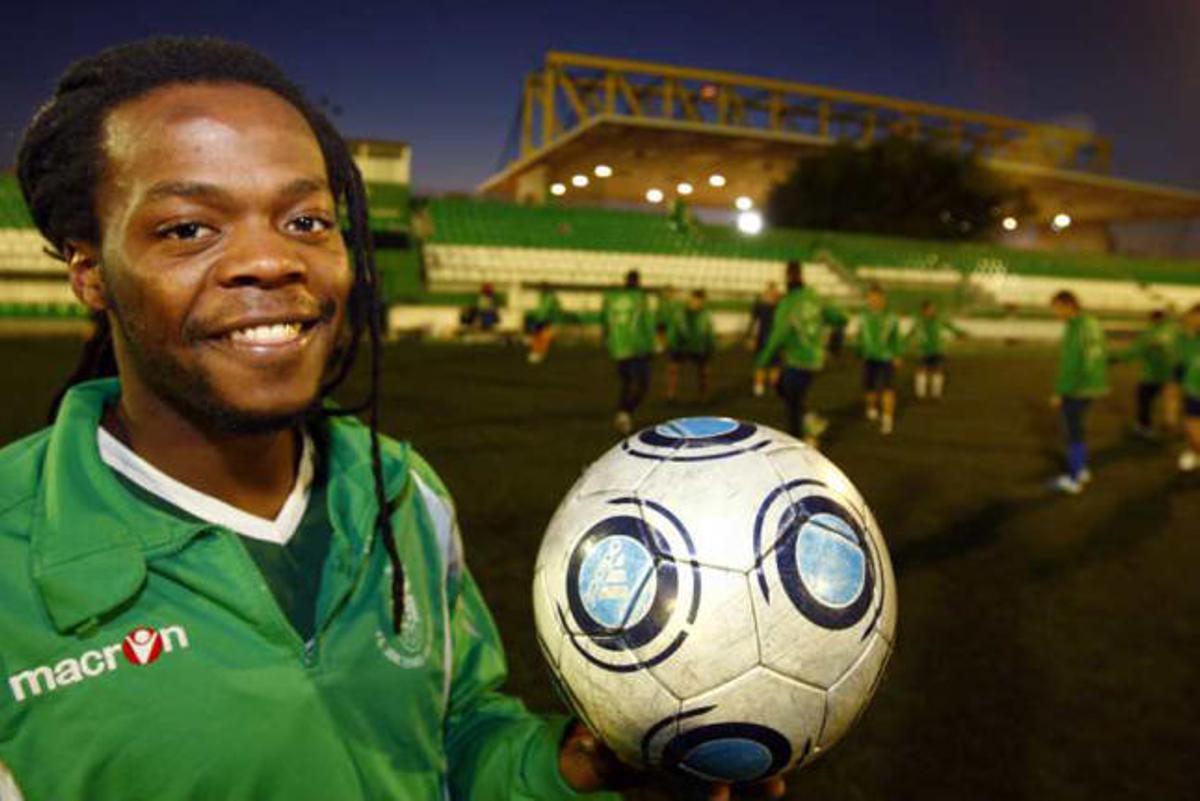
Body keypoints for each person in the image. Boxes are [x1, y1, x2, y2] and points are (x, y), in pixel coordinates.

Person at [0, 37, 637, 801]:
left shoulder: (403, 490)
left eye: (305, 221)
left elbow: (457, 732)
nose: (271, 260)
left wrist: (578, 769)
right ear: (90, 271)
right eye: (188, 228)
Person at [756, 260, 847, 444]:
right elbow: (841, 318)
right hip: (815, 360)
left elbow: (777, 336)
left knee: (791, 402)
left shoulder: (788, 303)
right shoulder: (814, 297)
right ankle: (807, 425)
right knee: (791, 395)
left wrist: (761, 361)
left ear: (787, 277)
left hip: (797, 361)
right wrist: (834, 339)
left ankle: (806, 437)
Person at [1049, 290, 1109, 494]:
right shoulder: (1090, 324)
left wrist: (1061, 391)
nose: (1056, 313)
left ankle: (1074, 479)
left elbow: (1073, 363)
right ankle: (1081, 470)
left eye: (1056, 308)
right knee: (1078, 429)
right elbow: (1097, 356)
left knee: (1073, 431)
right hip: (1089, 386)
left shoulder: (1077, 327)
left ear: (1068, 305)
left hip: (1077, 388)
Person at [601, 270, 656, 434]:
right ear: (638, 281)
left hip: (618, 347)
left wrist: (609, 341)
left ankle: (623, 414)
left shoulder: (611, 298)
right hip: (639, 346)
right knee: (643, 384)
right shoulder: (640, 298)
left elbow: (604, 321)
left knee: (626, 382)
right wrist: (652, 345)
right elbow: (647, 321)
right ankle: (625, 413)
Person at [1111, 309, 1177, 438]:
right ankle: (1170, 424)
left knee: (1144, 400)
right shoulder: (1174, 331)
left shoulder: (1150, 334)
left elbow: (1136, 351)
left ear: (1153, 319)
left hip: (1152, 375)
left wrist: (1116, 358)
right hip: (1171, 373)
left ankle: (1144, 426)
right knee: (1171, 400)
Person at [857, 284, 902, 435]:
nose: (873, 301)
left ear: (883, 299)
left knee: (888, 390)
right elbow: (860, 336)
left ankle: (887, 420)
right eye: (871, 298)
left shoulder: (891, 317)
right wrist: (860, 351)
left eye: (876, 298)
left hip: (886, 359)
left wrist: (897, 355)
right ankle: (872, 408)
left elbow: (896, 338)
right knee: (870, 391)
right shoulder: (863, 316)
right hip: (869, 358)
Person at [906, 299, 967, 401]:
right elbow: (912, 332)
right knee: (922, 370)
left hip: (938, 349)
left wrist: (960, 333)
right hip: (924, 349)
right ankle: (920, 394)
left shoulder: (940, 319)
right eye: (930, 309)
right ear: (924, 310)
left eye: (933, 309)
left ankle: (936, 394)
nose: (932, 311)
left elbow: (950, 327)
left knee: (938, 370)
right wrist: (904, 341)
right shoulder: (919, 321)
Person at [665, 289, 716, 403]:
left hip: (699, 346)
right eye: (695, 300)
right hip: (681, 345)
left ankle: (703, 395)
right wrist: (671, 342)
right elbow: (674, 327)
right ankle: (671, 393)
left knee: (704, 371)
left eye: (700, 301)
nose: (697, 303)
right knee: (673, 368)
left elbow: (709, 330)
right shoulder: (680, 312)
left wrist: (711, 344)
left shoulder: (705, 314)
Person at [1176, 303, 1200, 472]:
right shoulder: (1187, 340)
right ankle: (1195, 452)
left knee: (1193, 427)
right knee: (1190, 427)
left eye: (1194, 317)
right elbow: (1183, 365)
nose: (1190, 320)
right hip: (1192, 391)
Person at [747, 282, 782, 397]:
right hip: (764, 337)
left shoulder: (780, 304)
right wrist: (751, 336)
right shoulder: (761, 304)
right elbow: (754, 321)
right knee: (762, 363)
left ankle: (772, 387)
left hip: (774, 338)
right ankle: (759, 386)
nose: (772, 293)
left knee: (774, 364)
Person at [525, 283, 563, 364]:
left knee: (541, 337)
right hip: (542, 319)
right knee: (539, 337)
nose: (541, 291)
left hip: (544, 319)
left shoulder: (549, 297)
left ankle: (538, 353)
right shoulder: (545, 297)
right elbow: (543, 308)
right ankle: (537, 353)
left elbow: (549, 309)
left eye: (542, 289)